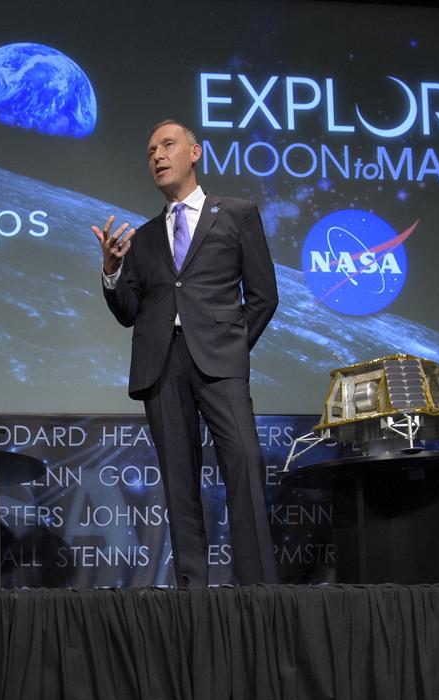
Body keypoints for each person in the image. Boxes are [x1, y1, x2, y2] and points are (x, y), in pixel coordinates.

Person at [93, 119, 279, 587]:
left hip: (220, 363)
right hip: (162, 367)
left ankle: (258, 589)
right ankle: (193, 590)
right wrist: (112, 271)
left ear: (194, 153)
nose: (157, 155)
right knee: (179, 479)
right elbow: (129, 310)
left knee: (244, 461)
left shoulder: (236, 213)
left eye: (167, 145)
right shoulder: (145, 237)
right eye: (151, 149)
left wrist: (231, 345)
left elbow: (263, 296)